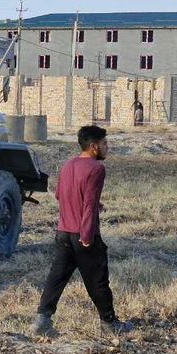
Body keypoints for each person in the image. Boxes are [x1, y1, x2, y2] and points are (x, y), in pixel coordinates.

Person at [32, 125, 133, 337]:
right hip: (83, 234)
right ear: (94, 146)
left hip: (63, 233)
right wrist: (87, 235)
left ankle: (42, 319)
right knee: (98, 279)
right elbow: (87, 204)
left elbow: (61, 194)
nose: (108, 148)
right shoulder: (96, 168)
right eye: (105, 144)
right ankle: (109, 323)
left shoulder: (68, 164)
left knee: (57, 277)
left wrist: (96, 204)